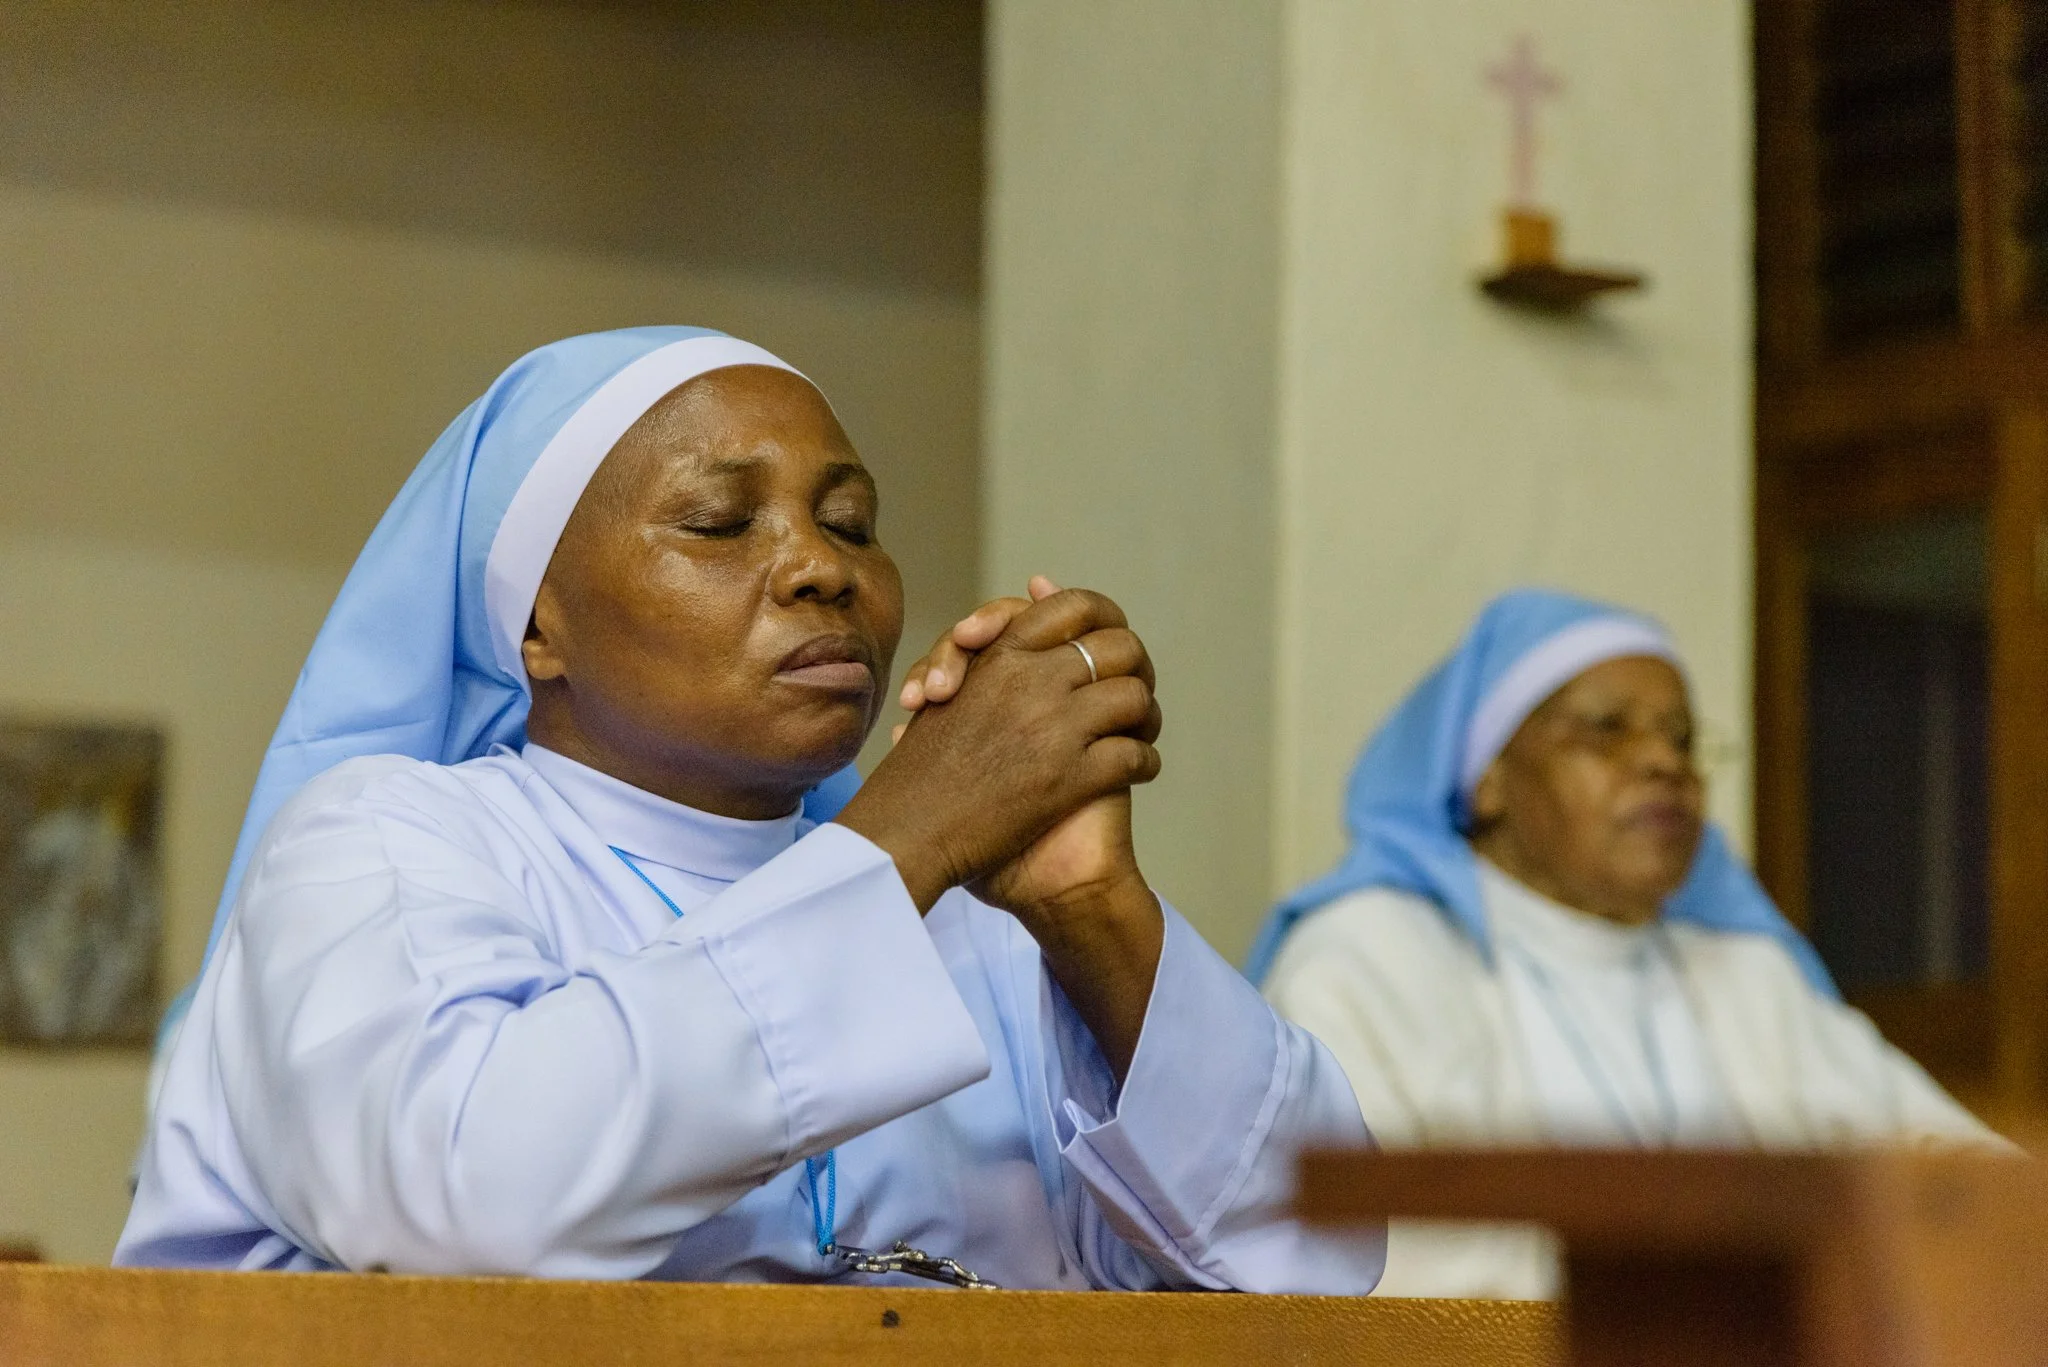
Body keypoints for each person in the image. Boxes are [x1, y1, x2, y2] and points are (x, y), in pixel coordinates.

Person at [116, 327, 1381, 1292]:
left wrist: (1089, 906)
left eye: (851, 523)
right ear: (536, 625)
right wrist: (913, 828)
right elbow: (472, 1199)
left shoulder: (984, 935)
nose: (820, 565)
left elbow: (1315, 1252)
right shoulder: (385, 844)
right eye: (721, 523)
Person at [1235, 588, 2002, 1299]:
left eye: (1683, 739)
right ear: (1489, 779)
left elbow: (1972, 1181)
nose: (1663, 761)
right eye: (1607, 729)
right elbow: (1358, 1253)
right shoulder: (1370, 955)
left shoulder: (1745, 973)